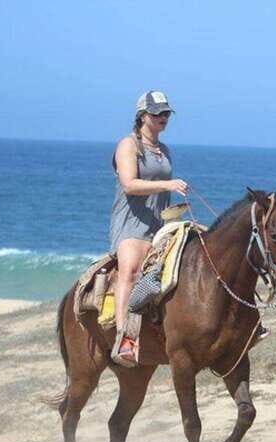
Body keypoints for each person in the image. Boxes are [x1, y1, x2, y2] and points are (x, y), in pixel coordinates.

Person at [109, 90, 188, 366]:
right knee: (130, 270)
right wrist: (168, 184)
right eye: (158, 113)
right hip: (132, 223)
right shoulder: (128, 145)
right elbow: (129, 184)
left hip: (160, 223)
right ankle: (124, 339)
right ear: (143, 116)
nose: (163, 118)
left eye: (166, 113)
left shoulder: (164, 150)